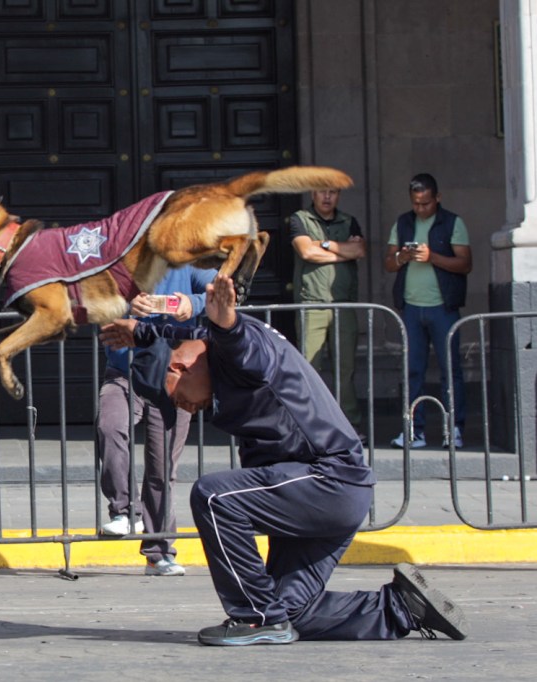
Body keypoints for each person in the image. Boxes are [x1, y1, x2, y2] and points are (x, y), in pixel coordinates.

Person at [99, 272, 467, 646]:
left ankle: (255, 619)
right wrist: (144, 333)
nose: (184, 407)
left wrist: (224, 318)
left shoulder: (240, 350)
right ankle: (403, 609)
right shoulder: (210, 353)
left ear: (180, 368)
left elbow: (232, 337)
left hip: (328, 481)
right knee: (292, 612)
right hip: (326, 491)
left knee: (213, 496)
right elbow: (199, 339)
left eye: (176, 396)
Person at [97, 265, 216, 577]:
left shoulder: (190, 266)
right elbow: (91, 300)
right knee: (110, 425)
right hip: (124, 373)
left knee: (162, 468)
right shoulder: (120, 262)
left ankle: (159, 552)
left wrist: (192, 304)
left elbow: (226, 290)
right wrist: (125, 305)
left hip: (173, 380)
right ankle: (125, 511)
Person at [383, 174, 472, 449]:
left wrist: (432, 257)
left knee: (450, 371)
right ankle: (414, 431)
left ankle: (453, 429)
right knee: (412, 371)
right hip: (411, 308)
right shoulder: (403, 222)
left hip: (443, 308)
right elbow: (389, 263)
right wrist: (403, 257)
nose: (421, 209)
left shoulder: (452, 222)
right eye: (416, 204)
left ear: (437, 198)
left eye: (426, 203)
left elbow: (465, 263)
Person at [289, 188, 366, 436]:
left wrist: (325, 244)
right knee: (310, 367)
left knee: (346, 367)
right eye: (322, 191)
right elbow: (306, 252)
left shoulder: (349, 220)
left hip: (343, 303)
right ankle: (309, 425)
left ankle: (348, 425)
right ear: (313, 193)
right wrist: (343, 251)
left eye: (332, 192)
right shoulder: (300, 219)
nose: (327, 197)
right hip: (312, 304)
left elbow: (359, 251)